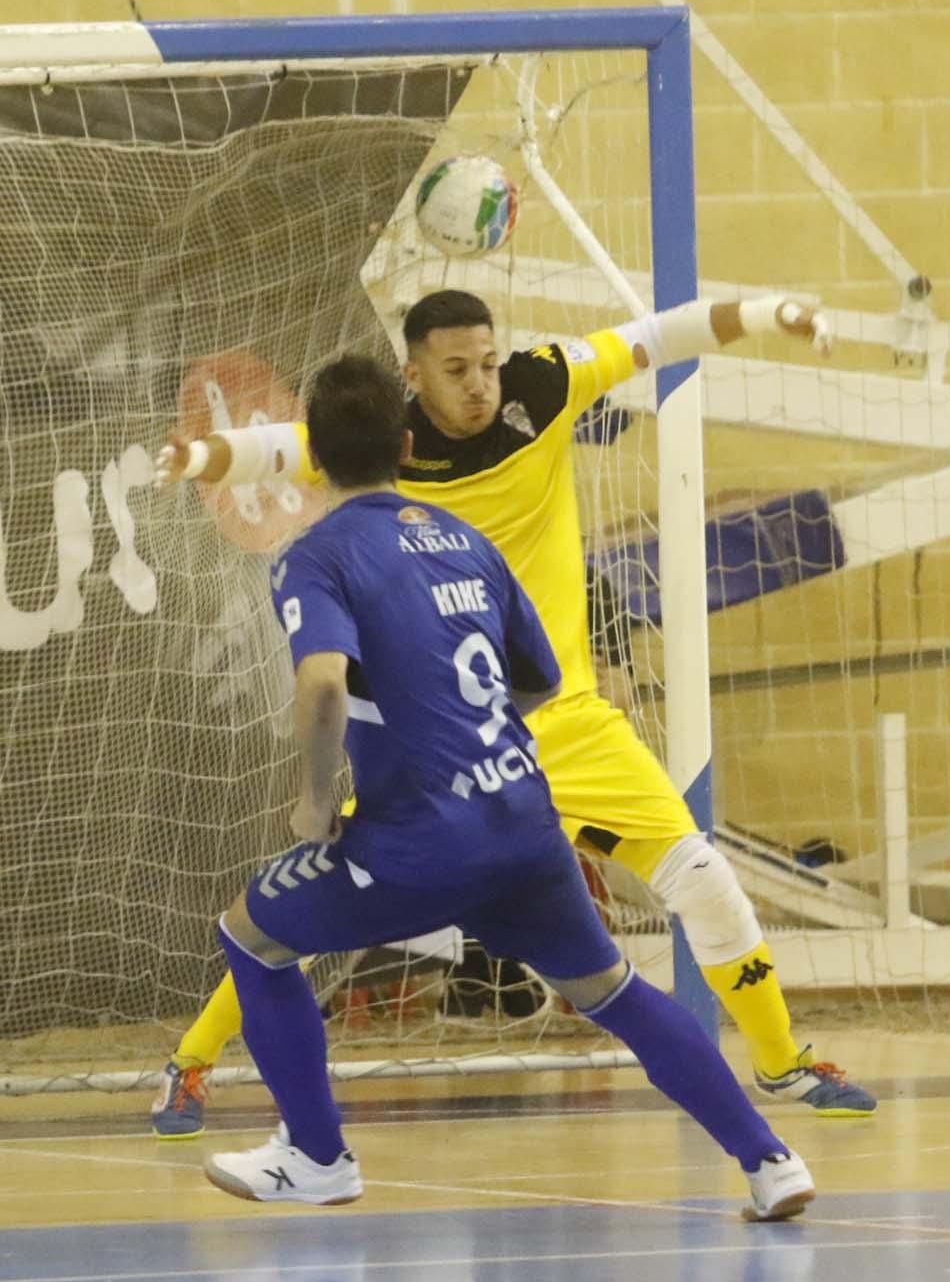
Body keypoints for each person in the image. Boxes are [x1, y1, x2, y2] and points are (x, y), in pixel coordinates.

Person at [152, 288, 876, 1139]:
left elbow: (661, 335)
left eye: (487, 364)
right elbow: (280, 449)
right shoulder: (385, 449)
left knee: (702, 877)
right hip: (453, 740)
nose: (480, 384)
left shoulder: (545, 385)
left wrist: (768, 313)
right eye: (456, 370)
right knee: (301, 923)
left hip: (567, 716)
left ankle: (782, 1060)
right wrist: (198, 456)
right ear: (412, 377)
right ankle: (190, 1064)